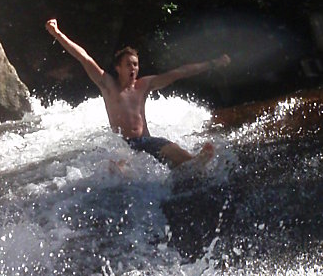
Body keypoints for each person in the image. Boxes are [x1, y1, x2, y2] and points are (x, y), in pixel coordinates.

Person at [45, 18, 231, 167]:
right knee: (120, 167)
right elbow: (83, 57)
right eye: (128, 64)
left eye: (135, 64)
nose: (133, 68)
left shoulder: (144, 85)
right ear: (118, 68)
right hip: (123, 144)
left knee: (171, 148)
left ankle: (193, 163)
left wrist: (212, 64)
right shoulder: (108, 85)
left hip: (146, 141)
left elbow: (178, 73)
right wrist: (57, 33)